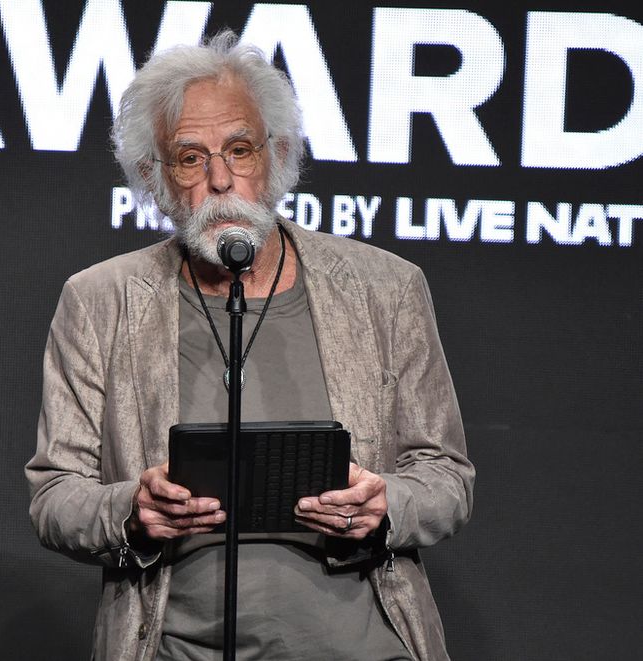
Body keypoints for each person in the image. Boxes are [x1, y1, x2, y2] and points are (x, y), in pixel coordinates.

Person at [26, 31, 474, 661]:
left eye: (240, 150)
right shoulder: (100, 302)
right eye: (189, 157)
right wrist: (133, 509)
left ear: (279, 156)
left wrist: (384, 502)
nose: (220, 179)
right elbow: (55, 495)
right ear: (154, 176)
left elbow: (447, 476)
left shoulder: (385, 290)